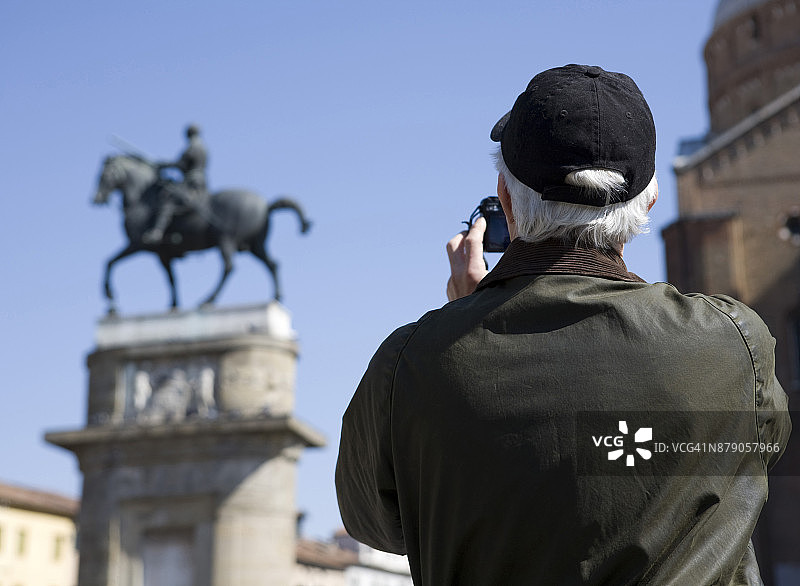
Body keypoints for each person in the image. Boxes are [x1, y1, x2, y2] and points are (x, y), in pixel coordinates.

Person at [335, 64, 791, 585]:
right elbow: (754, 456)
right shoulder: (732, 343)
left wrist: (466, 321)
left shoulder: (409, 364)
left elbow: (379, 523)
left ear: (506, 199)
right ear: (648, 202)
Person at [143, 124, 209, 244]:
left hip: (191, 181)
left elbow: (180, 165)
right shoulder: (203, 147)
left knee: (168, 198)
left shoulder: (192, 147)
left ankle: (157, 231)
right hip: (201, 181)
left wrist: (162, 165)